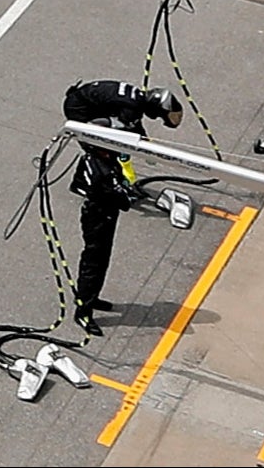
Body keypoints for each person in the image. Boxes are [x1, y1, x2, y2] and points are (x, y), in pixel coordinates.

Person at [64, 79, 184, 335]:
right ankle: (83, 311)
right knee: (94, 261)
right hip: (98, 213)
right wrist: (123, 190)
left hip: (103, 209)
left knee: (100, 260)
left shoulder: (104, 160)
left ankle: (91, 298)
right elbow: (122, 199)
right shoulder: (100, 168)